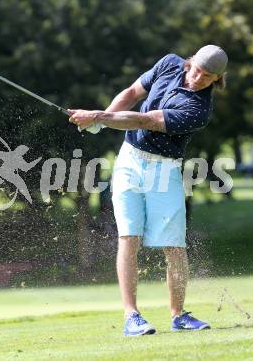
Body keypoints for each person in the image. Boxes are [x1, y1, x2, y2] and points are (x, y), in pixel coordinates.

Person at [68, 45, 228, 336]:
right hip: (129, 161)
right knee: (129, 237)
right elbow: (132, 93)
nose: (197, 78)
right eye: (196, 69)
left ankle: (178, 316)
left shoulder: (199, 109)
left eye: (206, 77)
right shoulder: (169, 63)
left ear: (217, 80)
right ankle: (132, 316)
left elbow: (145, 120)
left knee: (174, 246)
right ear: (190, 61)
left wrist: (98, 118)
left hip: (164, 170)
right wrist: (103, 118)